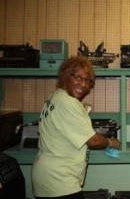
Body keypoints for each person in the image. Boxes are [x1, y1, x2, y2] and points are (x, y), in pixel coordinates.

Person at [31, 56, 120, 199]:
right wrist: (111, 142)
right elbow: (93, 141)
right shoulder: (68, 103)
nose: (83, 84)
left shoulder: (54, 97)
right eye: (78, 77)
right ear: (65, 76)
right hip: (60, 182)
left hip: (46, 178)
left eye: (87, 81)